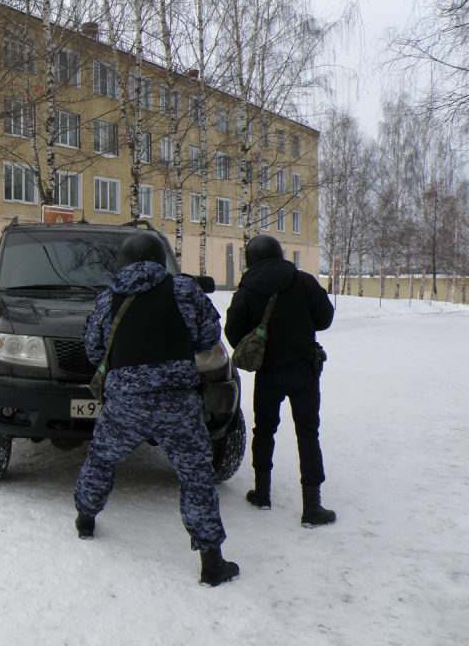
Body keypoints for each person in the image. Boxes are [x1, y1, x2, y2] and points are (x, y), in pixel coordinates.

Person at [74, 231, 239, 587]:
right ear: (160, 259)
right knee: (196, 475)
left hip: (125, 405)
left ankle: (85, 518)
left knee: (101, 460)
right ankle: (212, 562)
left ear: (123, 260)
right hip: (176, 402)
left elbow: (92, 350)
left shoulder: (107, 299)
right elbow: (210, 336)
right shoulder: (184, 291)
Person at [224, 234, 336, 527]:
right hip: (304, 370)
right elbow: (324, 319)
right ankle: (312, 507)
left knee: (264, 430)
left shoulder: (247, 289)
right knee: (308, 433)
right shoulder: (305, 281)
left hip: (268, 373)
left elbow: (233, 333)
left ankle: (262, 493)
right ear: (279, 253)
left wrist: (258, 344)